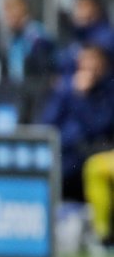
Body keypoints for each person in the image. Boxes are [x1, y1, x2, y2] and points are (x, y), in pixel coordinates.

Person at [41, 46, 114, 201]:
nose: (88, 66)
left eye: (93, 60)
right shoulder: (66, 89)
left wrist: (81, 98)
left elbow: (97, 126)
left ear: (103, 63)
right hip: (63, 150)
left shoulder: (108, 91)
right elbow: (47, 121)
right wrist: (71, 93)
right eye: (84, 60)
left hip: (92, 150)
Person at [2, 0, 55, 122]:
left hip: (36, 98)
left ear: (23, 9)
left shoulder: (35, 36)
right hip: (20, 94)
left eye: (11, 9)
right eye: (6, 10)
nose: (7, 15)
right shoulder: (13, 37)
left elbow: (45, 69)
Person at [57, 0, 114, 78]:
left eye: (83, 6)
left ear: (96, 9)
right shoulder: (75, 37)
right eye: (77, 6)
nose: (78, 12)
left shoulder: (107, 38)